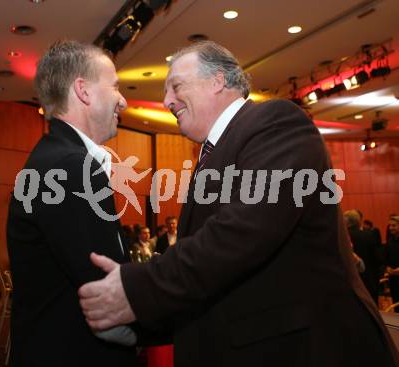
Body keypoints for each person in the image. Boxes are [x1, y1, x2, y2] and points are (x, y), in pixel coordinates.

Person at [78, 41, 399, 366]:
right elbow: (215, 281)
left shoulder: (276, 121)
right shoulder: (215, 153)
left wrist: (138, 287)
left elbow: (242, 233)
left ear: (218, 80)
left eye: (175, 86)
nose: (166, 101)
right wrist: (141, 325)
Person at [6, 40, 137, 366]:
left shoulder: (51, 157)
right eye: (115, 86)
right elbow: (106, 296)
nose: (123, 100)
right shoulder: (70, 166)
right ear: (84, 91)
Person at [344, 209, 380, 302]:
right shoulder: (369, 235)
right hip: (370, 279)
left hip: (351, 280)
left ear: (346, 222)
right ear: (358, 221)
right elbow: (377, 258)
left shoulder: (343, 237)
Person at [386, 216, 399, 311]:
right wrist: (387, 268)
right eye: (390, 225)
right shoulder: (390, 240)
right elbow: (386, 258)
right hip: (394, 278)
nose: (391, 228)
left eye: (394, 225)